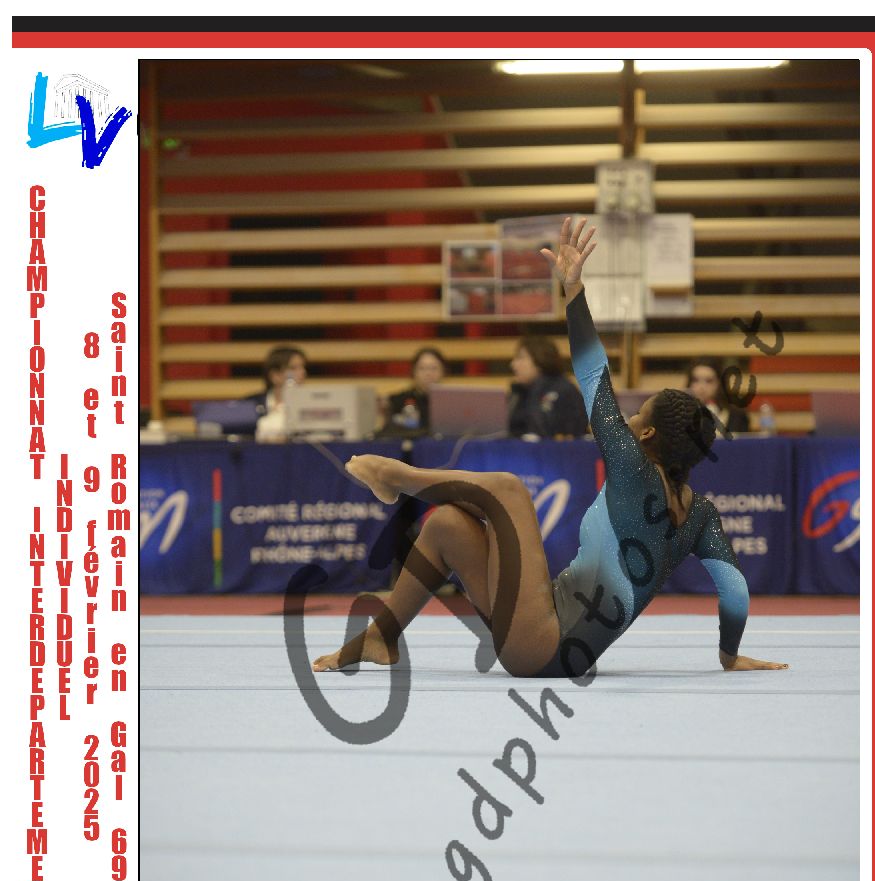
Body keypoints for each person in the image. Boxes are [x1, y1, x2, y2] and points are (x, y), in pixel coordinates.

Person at [312, 218, 788, 678]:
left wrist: (573, 290)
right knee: (448, 526)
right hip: (551, 633)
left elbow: (593, 373)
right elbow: (734, 588)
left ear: (646, 436)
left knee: (508, 490)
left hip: (543, 644)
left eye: (638, 413)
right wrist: (729, 654)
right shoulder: (701, 514)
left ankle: (397, 478)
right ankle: (383, 636)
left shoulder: (633, 467)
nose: (629, 417)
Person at [507, 335, 587, 439]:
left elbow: (546, 432)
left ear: (540, 359)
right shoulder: (519, 393)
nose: (513, 364)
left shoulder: (563, 391)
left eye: (520, 358)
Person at [376, 347, 448, 436]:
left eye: (434, 368)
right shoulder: (398, 401)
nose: (428, 373)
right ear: (414, 372)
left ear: (443, 371)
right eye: (422, 368)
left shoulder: (450, 402)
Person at [245, 345, 308, 441]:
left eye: (302, 367)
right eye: (293, 368)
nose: (303, 372)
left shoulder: (309, 405)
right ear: (275, 376)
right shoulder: (251, 404)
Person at [686, 358, 750, 435]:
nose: (701, 387)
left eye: (709, 381)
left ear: (719, 383)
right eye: (695, 380)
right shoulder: (680, 415)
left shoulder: (737, 416)